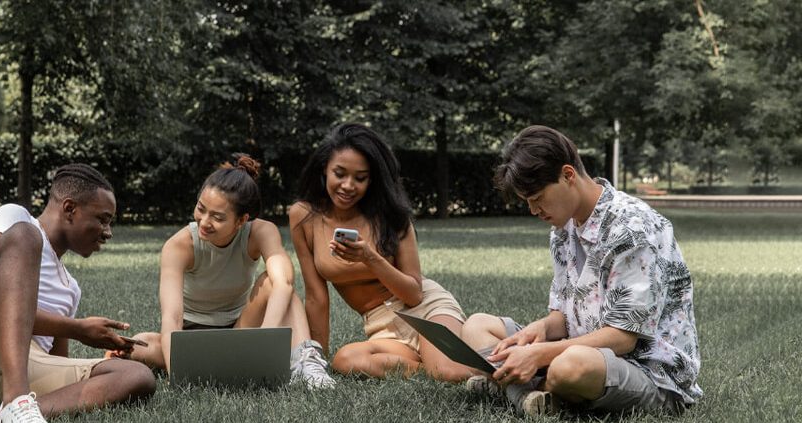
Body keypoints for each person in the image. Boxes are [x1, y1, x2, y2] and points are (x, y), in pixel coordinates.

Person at [459, 125, 702, 416]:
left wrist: (538, 354)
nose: (534, 211)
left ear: (568, 175)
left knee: (570, 366)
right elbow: (561, 315)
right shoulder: (563, 227)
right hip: (577, 347)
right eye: (528, 203)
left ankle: (513, 386)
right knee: (476, 326)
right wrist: (541, 329)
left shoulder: (633, 228)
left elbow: (623, 338)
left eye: (537, 199)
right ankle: (530, 392)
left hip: (648, 371)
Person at [0, 164, 156, 423]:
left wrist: (91, 348)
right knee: (25, 237)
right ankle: (16, 401)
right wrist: (78, 329)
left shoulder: (70, 289)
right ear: (69, 209)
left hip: (14, 375)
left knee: (137, 375)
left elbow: (57, 366)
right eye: (103, 219)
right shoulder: (15, 219)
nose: (108, 232)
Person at [121, 154, 335, 389]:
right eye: (201, 209)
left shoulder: (260, 232)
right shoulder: (179, 245)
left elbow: (284, 282)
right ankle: (232, 363)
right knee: (138, 344)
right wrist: (177, 374)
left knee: (275, 283)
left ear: (241, 220)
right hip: (192, 336)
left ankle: (308, 364)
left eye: (217, 217)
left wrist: (265, 340)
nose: (204, 221)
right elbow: (172, 317)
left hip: (240, 330)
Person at [288, 123, 476, 381]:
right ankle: (430, 368)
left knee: (446, 370)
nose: (347, 185)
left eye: (360, 178)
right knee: (346, 360)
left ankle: (522, 375)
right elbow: (316, 297)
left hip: (426, 310)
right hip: (382, 328)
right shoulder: (303, 216)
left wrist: (370, 257)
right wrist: (319, 360)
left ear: (372, 179)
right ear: (325, 169)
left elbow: (414, 294)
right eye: (339, 173)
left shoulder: (391, 216)